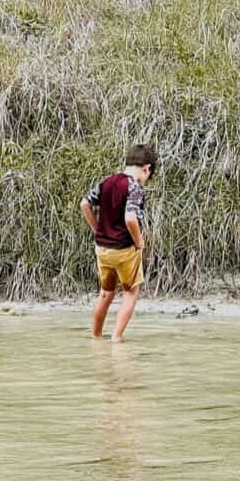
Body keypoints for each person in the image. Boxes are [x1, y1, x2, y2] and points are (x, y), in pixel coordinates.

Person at [80, 144, 157, 343]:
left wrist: (97, 229)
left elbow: (84, 204)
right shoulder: (135, 187)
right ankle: (116, 338)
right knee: (131, 292)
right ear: (146, 168)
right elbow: (131, 218)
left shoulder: (106, 181)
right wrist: (139, 243)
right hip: (124, 249)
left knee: (105, 293)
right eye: (148, 175)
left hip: (102, 249)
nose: (146, 180)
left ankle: (96, 337)